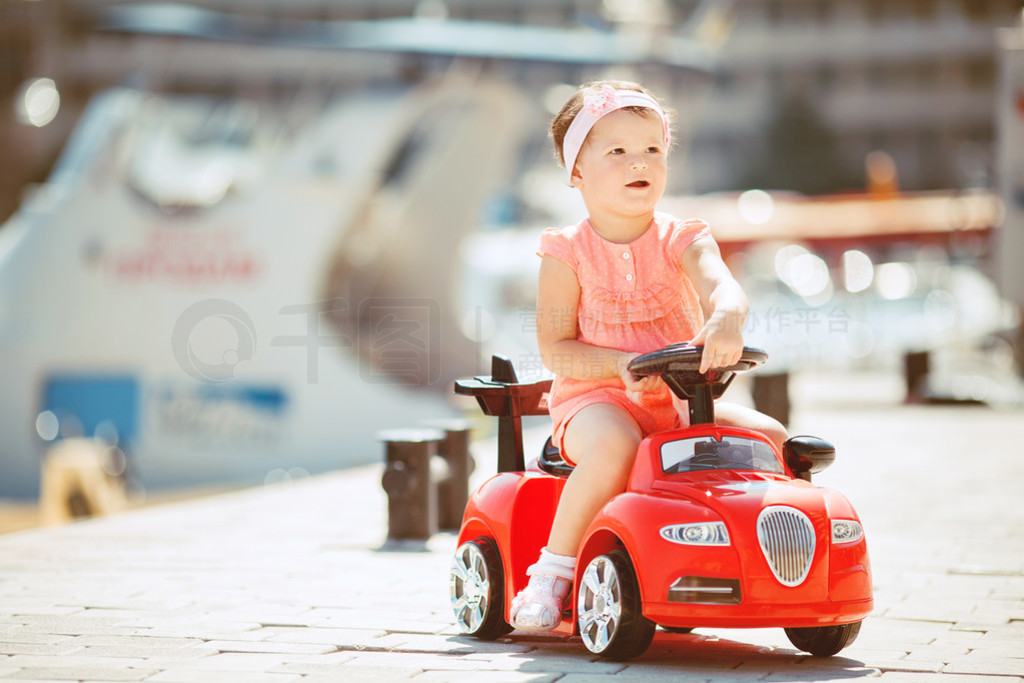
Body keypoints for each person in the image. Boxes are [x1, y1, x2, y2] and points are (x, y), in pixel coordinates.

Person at [509, 80, 788, 632]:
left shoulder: (682, 237)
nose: (640, 162)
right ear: (577, 172)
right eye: (617, 151)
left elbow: (722, 286)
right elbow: (556, 349)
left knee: (770, 439)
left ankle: (760, 558)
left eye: (652, 150)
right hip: (595, 403)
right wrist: (616, 365)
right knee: (617, 442)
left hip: (679, 402)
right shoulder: (565, 252)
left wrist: (726, 316)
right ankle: (553, 571)